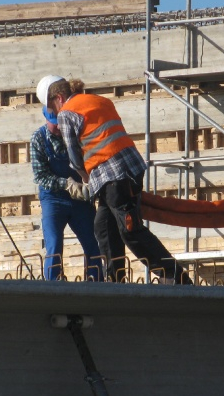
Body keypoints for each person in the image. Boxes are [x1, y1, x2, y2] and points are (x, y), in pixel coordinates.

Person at [39, 75, 191, 285]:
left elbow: (74, 158)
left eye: (53, 107)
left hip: (114, 177)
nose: (55, 113)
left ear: (59, 98)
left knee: (131, 231)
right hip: (130, 169)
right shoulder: (100, 101)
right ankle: (115, 282)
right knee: (103, 226)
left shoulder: (66, 113)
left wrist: (85, 181)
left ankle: (176, 277)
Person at [31, 78, 104, 281]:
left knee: (92, 243)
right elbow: (40, 176)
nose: (57, 127)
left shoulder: (73, 131)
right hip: (53, 200)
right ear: (47, 118)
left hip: (80, 199)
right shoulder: (38, 139)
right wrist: (67, 184)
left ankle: (96, 282)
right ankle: (53, 285)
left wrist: (89, 185)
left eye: (59, 124)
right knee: (54, 245)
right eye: (54, 124)